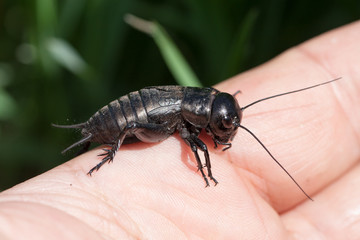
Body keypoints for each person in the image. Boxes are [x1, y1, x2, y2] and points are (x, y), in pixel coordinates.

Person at [1, 21, 359, 239]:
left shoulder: (198, 104)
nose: (225, 132)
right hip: (125, 120)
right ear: (206, 108)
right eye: (223, 125)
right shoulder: (188, 124)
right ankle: (106, 150)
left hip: (148, 103)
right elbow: (199, 147)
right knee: (136, 126)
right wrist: (207, 171)